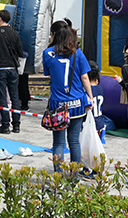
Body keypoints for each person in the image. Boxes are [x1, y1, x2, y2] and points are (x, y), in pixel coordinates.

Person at [42, 24, 93, 173]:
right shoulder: (78, 54)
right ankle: (74, 175)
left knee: (58, 142)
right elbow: (84, 76)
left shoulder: (47, 53)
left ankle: (58, 174)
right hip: (77, 103)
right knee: (74, 141)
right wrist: (90, 97)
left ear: (54, 36)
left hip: (57, 104)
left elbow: (49, 75)